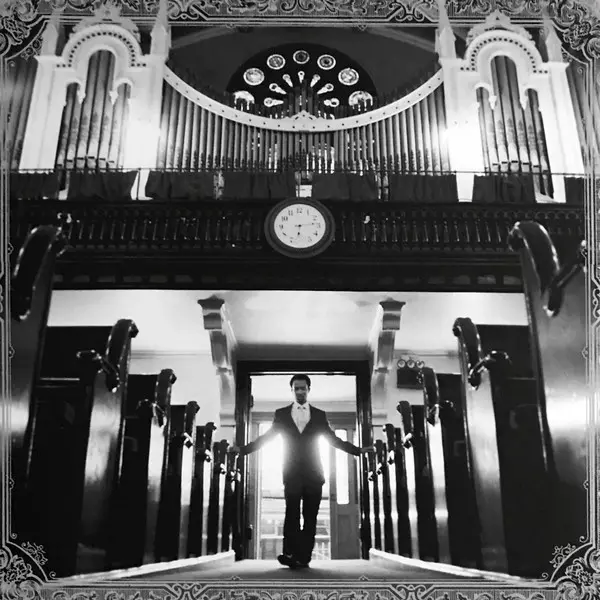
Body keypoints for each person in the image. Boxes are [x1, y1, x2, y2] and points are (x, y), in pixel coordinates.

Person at [228, 374, 374, 569]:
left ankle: (303, 557)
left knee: (310, 517)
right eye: (296, 388)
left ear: (308, 389)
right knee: (292, 514)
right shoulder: (281, 414)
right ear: (292, 390)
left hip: (315, 474)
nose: (299, 391)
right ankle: (290, 553)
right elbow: (267, 438)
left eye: (303, 388)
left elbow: (333, 440)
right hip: (291, 473)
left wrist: (358, 451)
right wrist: (243, 450)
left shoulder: (319, 415)